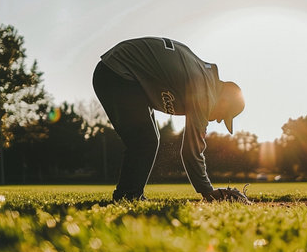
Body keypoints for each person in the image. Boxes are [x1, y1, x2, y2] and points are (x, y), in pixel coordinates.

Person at [93, 36, 248, 202]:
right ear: (224, 101)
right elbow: (191, 151)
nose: (218, 120)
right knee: (145, 140)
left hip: (119, 73)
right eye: (223, 116)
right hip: (117, 73)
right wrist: (208, 191)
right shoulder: (205, 91)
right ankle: (128, 196)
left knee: (148, 140)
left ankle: (128, 194)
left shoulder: (204, 78)